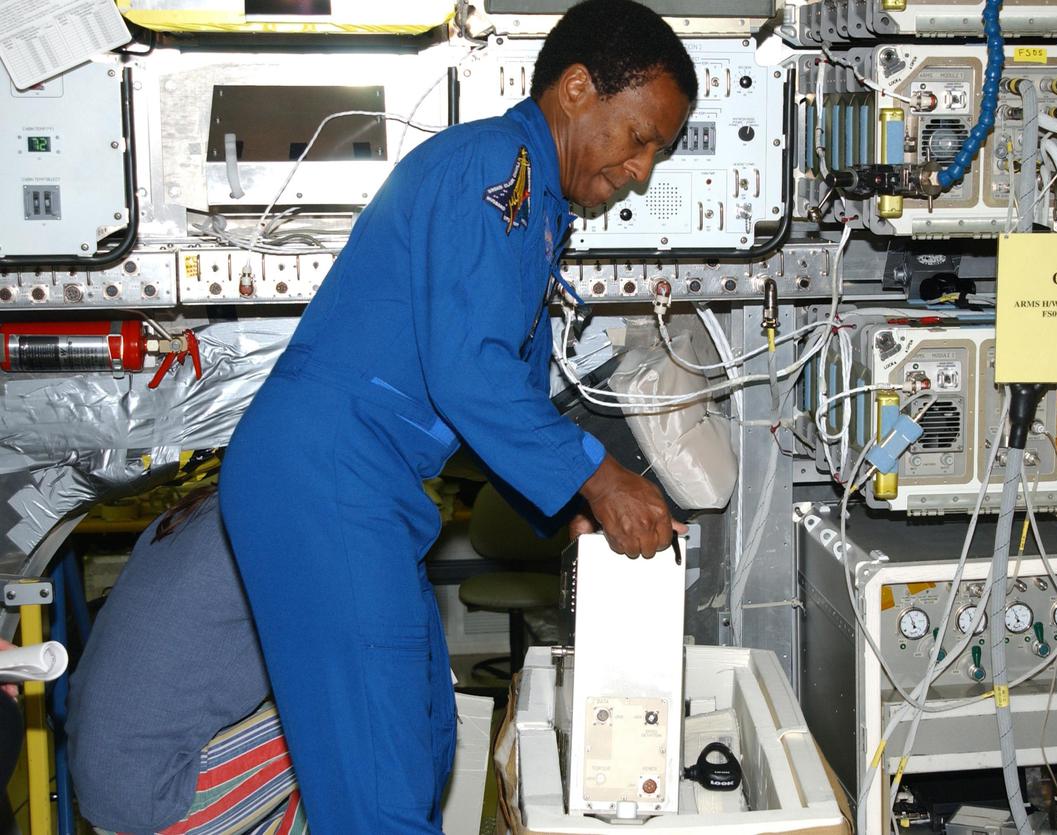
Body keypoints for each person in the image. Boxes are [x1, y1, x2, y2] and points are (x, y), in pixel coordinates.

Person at [217, 1, 697, 832]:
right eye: (640, 136)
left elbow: (492, 391)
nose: (642, 170)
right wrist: (602, 476)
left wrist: (579, 505)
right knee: (382, 787)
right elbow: (469, 372)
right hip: (329, 476)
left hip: (362, 485)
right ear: (578, 89)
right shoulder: (497, 169)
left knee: (425, 738)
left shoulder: (535, 205)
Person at [67, 488, 308, 834]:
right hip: (160, 803)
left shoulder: (194, 511)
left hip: (102, 792)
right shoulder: (276, 530)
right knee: (347, 718)